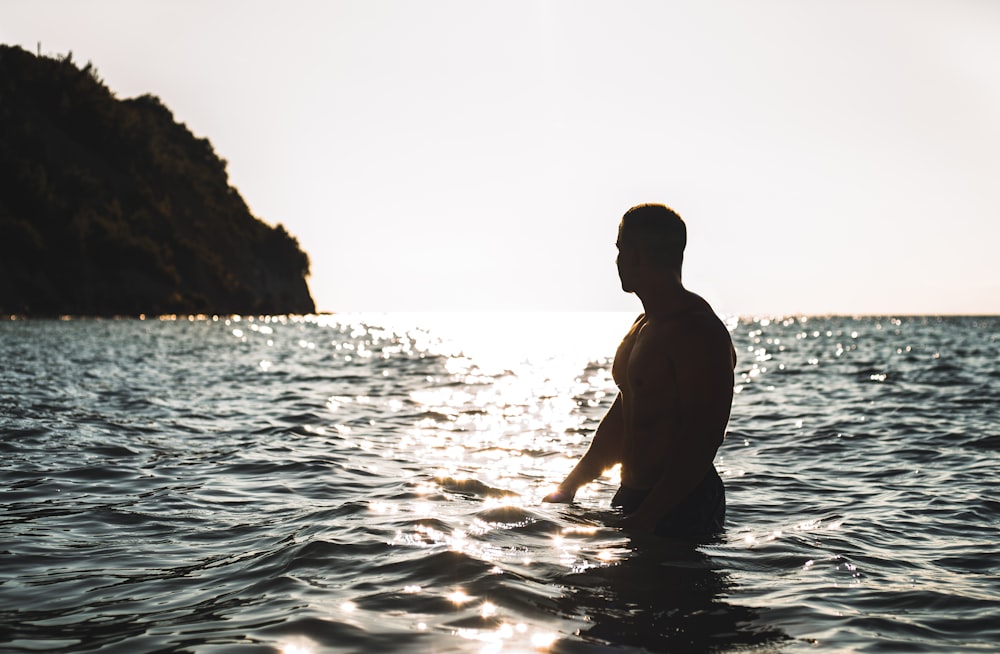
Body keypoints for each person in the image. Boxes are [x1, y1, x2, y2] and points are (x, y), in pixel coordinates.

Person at [543, 203, 736, 538]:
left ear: (636, 256)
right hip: (635, 496)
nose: (616, 261)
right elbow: (624, 417)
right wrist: (570, 485)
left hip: (682, 507)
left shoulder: (697, 331)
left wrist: (650, 515)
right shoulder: (641, 327)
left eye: (620, 250)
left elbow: (703, 438)